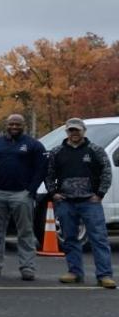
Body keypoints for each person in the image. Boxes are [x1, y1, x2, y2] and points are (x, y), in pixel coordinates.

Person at [47, 118, 115, 288]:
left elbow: (107, 171)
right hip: (66, 202)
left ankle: (104, 275)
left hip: (90, 202)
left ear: (83, 131)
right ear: (67, 132)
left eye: (77, 130)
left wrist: (100, 194)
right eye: (71, 130)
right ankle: (75, 272)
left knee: (98, 238)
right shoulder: (57, 152)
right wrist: (53, 193)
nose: (74, 133)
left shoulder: (95, 150)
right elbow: (49, 173)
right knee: (70, 238)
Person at [0, 113, 46, 281]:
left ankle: (27, 268)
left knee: (25, 232)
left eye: (18, 124)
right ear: (6, 124)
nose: (14, 127)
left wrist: (31, 191)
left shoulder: (34, 145)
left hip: (21, 194)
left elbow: (41, 170)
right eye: (11, 124)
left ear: (24, 125)